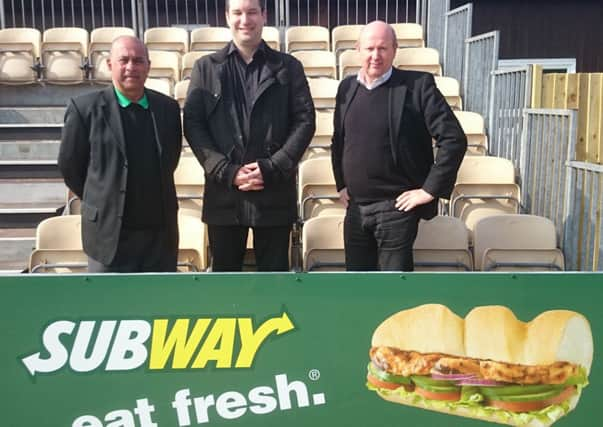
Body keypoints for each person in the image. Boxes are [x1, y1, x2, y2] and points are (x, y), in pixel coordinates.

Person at [183, 0, 315, 272]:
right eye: (238, 13)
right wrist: (226, 171)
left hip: (274, 193)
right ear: (227, 17)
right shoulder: (205, 68)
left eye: (252, 12)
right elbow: (194, 126)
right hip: (224, 195)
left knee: (275, 282)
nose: (245, 20)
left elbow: (305, 122)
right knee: (226, 282)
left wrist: (272, 167)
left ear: (264, 15)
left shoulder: (289, 68)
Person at [331, 21, 467, 272]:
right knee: (356, 289)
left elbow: (454, 139)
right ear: (357, 49)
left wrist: (429, 190)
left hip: (396, 210)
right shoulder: (346, 88)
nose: (375, 55)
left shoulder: (418, 86)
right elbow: (339, 140)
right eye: (369, 48)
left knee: (393, 292)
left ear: (395, 50)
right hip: (356, 208)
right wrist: (340, 184)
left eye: (383, 48)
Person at [58, 35, 182, 272]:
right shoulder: (84, 108)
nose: (131, 67)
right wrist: (103, 196)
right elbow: (70, 166)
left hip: (159, 238)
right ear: (109, 64)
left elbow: (170, 160)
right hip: (107, 236)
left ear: (148, 66)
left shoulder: (168, 109)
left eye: (138, 61)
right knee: (107, 307)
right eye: (123, 60)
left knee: (157, 307)